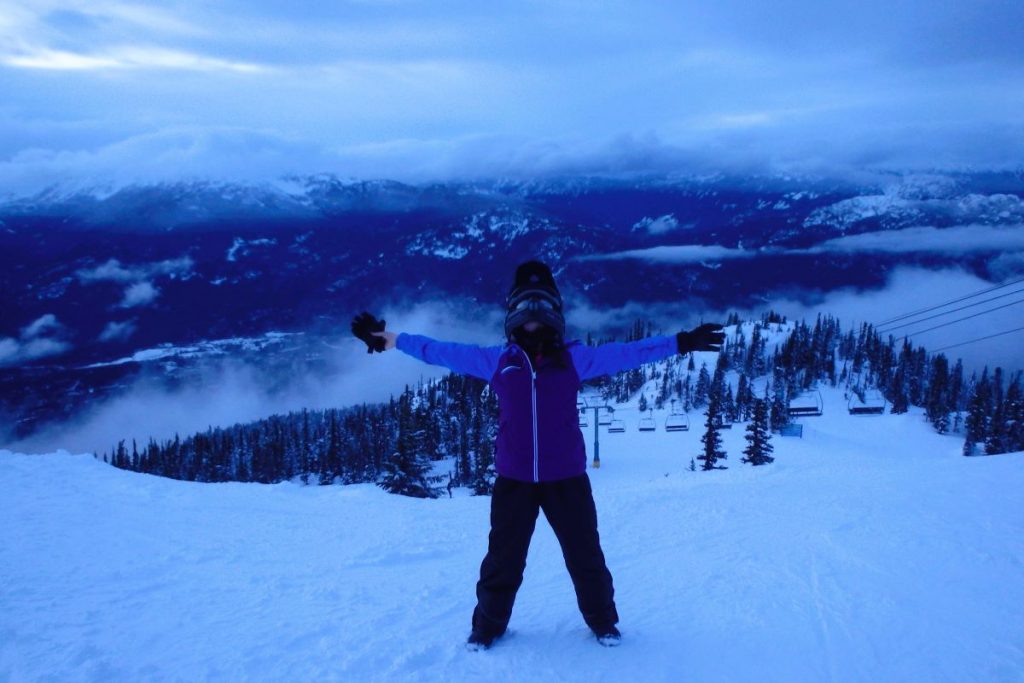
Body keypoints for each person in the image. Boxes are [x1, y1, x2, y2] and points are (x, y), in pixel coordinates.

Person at [351, 261, 724, 649]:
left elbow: (630, 353)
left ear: (554, 316)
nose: (533, 325)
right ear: (513, 318)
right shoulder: (498, 362)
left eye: (540, 315)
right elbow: (438, 351)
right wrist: (392, 338)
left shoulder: (574, 360)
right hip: (514, 480)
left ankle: (602, 622)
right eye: (525, 316)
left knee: (585, 556)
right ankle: (488, 626)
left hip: (566, 478)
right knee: (503, 560)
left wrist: (681, 342)